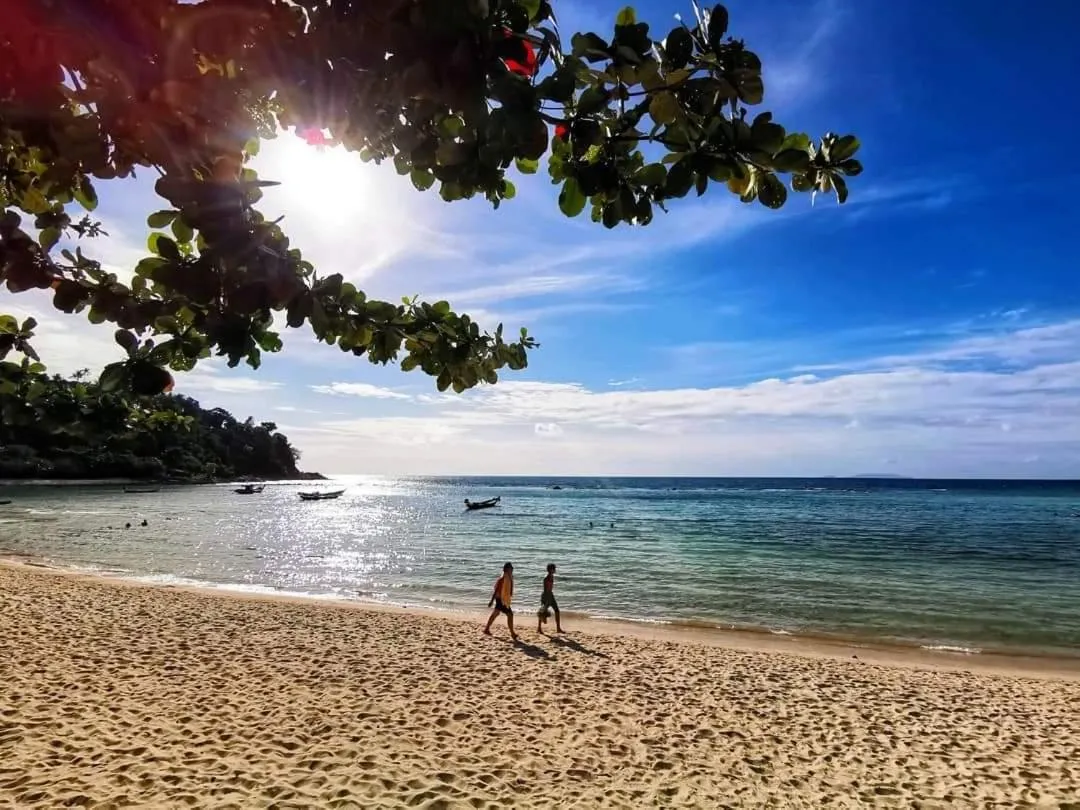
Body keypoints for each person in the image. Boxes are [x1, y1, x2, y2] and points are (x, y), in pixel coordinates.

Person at [484, 562, 517, 640]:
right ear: (506, 569)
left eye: (512, 568)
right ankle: (512, 633)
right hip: (501, 600)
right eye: (510, 568)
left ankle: (486, 629)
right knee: (510, 614)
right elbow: (496, 590)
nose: (512, 569)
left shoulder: (509, 577)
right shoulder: (502, 579)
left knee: (496, 613)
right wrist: (491, 601)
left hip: (502, 599)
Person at [537, 563, 564, 634]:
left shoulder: (552, 576)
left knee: (557, 611)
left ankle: (558, 628)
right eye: (554, 569)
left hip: (551, 595)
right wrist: (546, 601)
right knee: (542, 612)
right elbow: (545, 590)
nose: (555, 570)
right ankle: (539, 628)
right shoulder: (546, 578)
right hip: (546, 596)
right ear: (551, 570)